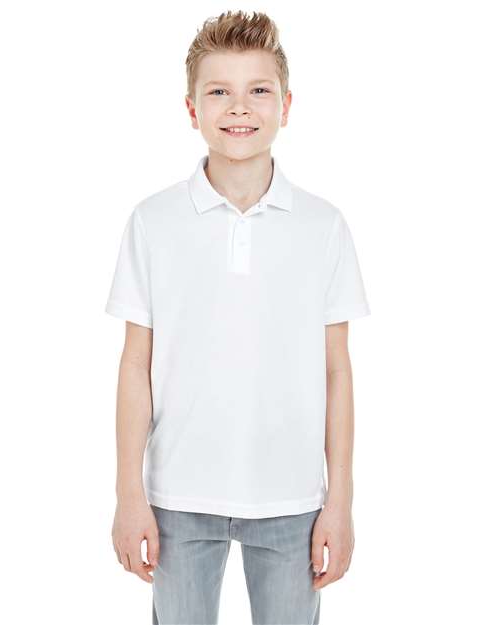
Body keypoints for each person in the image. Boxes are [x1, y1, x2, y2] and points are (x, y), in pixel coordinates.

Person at [105, 9, 371, 625]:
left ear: (286, 105)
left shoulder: (324, 226)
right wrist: (127, 493)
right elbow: (135, 365)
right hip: (177, 494)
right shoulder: (152, 222)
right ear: (192, 108)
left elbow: (337, 372)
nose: (239, 108)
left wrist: (340, 502)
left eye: (258, 90)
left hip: (291, 498)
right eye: (219, 92)